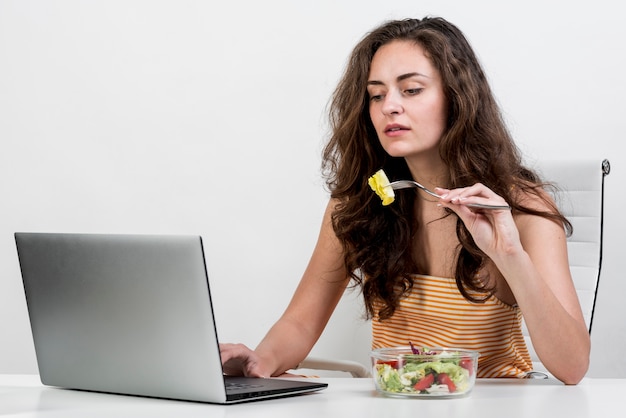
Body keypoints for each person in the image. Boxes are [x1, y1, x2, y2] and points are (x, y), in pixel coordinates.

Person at [220, 16, 590, 385]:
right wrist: (259, 361)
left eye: (411, 90)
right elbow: (300, 322)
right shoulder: (358, 205)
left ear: (457, 98)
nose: (389, 107)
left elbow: (572, 367)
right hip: (395, 405)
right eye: (377, 95)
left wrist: (510, 255)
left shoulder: (522, 209)